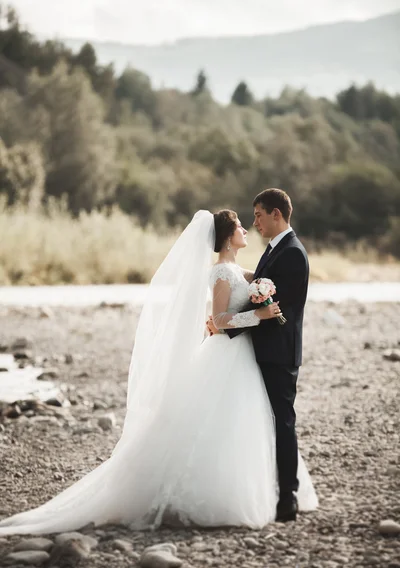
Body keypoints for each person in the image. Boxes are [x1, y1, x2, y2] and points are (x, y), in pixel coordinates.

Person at [0, 207, 317, 536]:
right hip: (227, 355)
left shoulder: (238, 270)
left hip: (242, 355)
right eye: (240, 225)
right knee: (218, 421)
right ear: (227, 236)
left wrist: (260, 304)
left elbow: (259, 290)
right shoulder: (221, 272)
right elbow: (221, 320)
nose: (247, 229)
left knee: (244, 421)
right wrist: (259, 317)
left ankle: (263, 489)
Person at [208, 188, 311, 522]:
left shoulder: (292, 253)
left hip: (278, 352)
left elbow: (278, 308)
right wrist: (221, 323)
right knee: (259, 421)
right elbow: (253, 292)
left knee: (282, 421)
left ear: (276, 214)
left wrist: (224, 324)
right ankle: (266, 490)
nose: (254, 223)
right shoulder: (272, 251)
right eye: (249, 218)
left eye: (258, 215)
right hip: (257, 350)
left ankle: (288, 498)